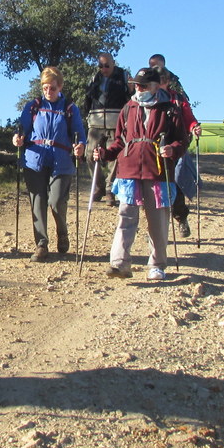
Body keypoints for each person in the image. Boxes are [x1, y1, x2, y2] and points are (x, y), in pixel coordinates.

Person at [93, 67, 188, 281]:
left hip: (158, 171)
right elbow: (119, 141)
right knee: (126, 217)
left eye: (143, 85)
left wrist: (173, 149)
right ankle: (119, 264)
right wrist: (106, 153)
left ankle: (157, 265)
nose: (139, 88)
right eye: (136, 85)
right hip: (129, 169)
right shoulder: (129, 108)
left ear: (156, 87)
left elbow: (183, 140)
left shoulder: (170, 109)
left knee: (157, 221)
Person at [12, 67, 86, 261]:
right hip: (34, 158)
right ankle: (41, 244)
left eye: (52, 87)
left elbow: (79, 133)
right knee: (38, 202)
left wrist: (80, 146)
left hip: (61, 160)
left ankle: (62, 232)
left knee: (56, 202)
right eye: (45, 87)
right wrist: (17, 138)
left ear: (60, 86)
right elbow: (22, 128)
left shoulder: (69, 108)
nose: (48, 91)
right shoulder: (33, 106)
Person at [81, 52, 131, 207]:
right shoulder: (95, 78)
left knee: (114, 159)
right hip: (95, 124)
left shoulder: (123, 76)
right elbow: (88, 99)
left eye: (107, 65)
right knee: (89, 155)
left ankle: (110, 190)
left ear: (113, 63)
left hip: (115, 123)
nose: (104, 68)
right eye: (100, 65)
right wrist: (86, 116)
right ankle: (98, 187)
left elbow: (131, 97)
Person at [156, 67, 201, 237]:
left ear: (167, 82)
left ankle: (181, 216)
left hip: (175, 147)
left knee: (175, 184)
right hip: (153, 150)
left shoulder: (177, 99)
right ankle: (156, 228)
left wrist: (194, 127)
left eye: (160, 80)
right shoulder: (146, 98)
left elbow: (189, 118)